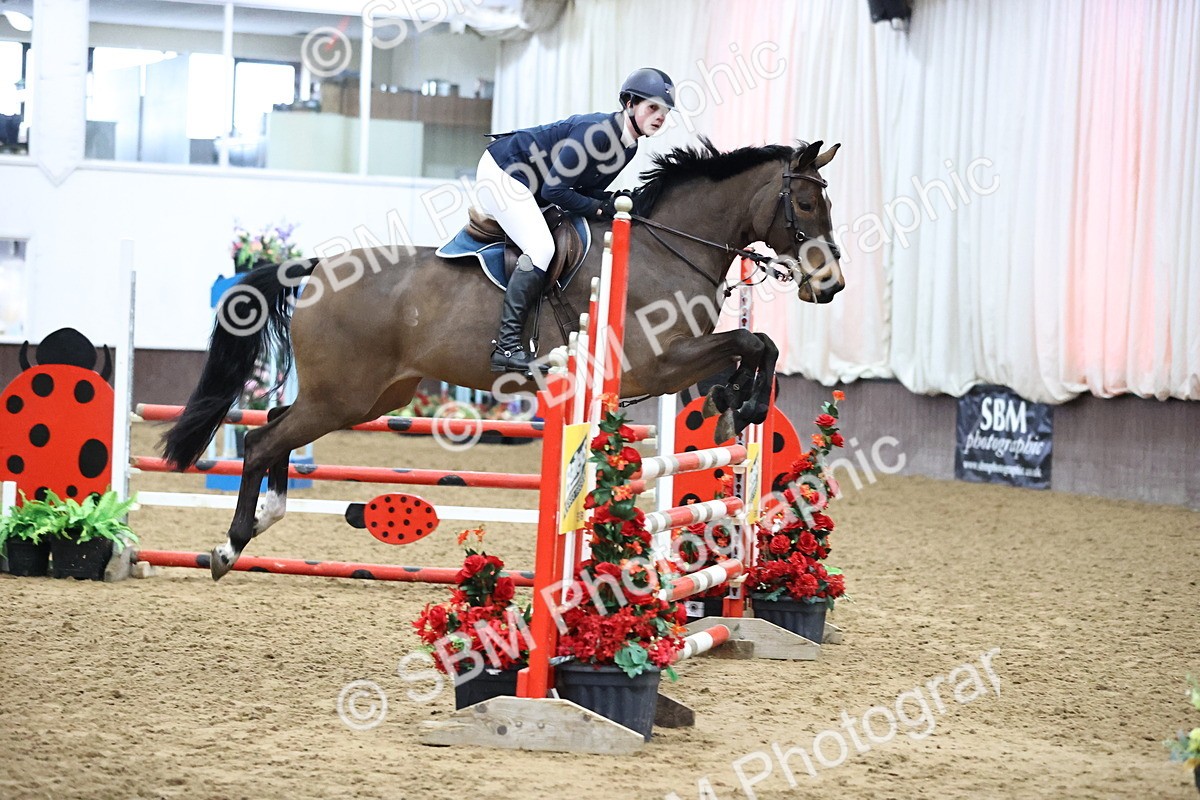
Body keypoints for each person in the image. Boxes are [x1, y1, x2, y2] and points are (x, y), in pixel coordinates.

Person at [475, 67, 675, 375]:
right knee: (541, 248)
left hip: (532, 184)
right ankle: (507, 346)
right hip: (503, 173)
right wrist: (600, 208)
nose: (659, 116)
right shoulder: (597, 132)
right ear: (629, 103)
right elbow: (555, 189)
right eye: (653, 107)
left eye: (664, 111)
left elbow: (585, 188)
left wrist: (611, 202)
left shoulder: (630, 146)